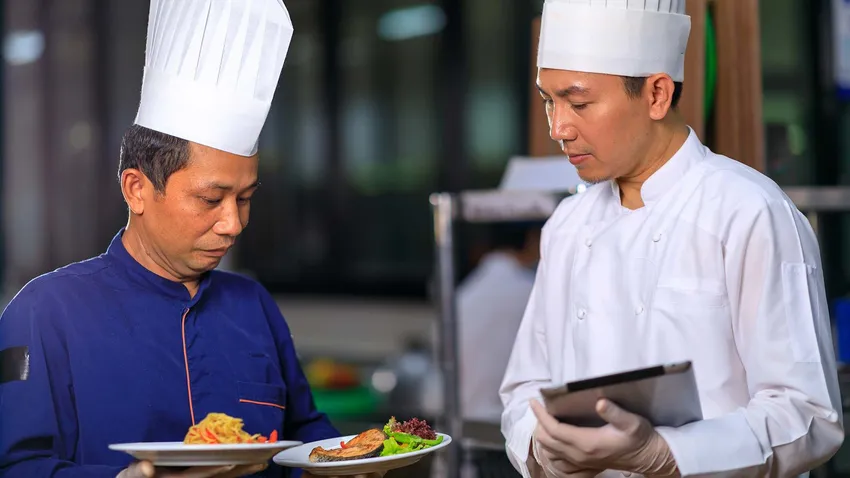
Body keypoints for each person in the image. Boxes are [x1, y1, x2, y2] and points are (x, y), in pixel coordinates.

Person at [0, 1, 349, 477]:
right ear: (137, 189)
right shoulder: (43, 311)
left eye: (245, 198)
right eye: (211, 200)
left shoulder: (253, 303)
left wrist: (344, 463)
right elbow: (17, 465)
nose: (233, 223)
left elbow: (305, 434)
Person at [500, 1, 844, 477]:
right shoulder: (567, 224)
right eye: (547, 101)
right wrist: (543, 449)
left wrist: (664, 454)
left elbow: (807, 417)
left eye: (578, 103)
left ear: (657, 94)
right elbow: (525, 389)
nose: (558, 127)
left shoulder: (749, 211)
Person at [459, 222, 542, 421]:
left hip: (466, 418)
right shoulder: (530, 291)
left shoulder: (463, 294)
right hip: (515, 420)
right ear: (532, 239)